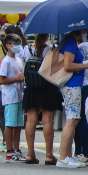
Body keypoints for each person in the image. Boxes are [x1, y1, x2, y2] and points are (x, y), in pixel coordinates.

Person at [57, 29, 88, 168]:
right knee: (72, 119)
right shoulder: (70, 42)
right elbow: (68, 65)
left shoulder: (70, 41)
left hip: (74, 85)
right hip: (72, 85)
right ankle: (63, 157)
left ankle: (67, 156)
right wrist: (87, 65)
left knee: (73, 119)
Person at [22, 33, 62, 165]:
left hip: (31, 87)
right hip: (47, 86)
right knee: (47, 121)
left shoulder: (26, 49)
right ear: (47, 36)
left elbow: (23, 66)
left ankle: (30, 154)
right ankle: (49, 155)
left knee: (30, 120)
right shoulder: (52, 49)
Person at [0, 34, 26, 162]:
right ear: (8, 46)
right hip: (10, 97)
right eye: (15, 44)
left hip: (19, 96)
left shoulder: (19, 60)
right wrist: (17, 79)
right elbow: (1, 80)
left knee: (18, 124)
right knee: (10, 123)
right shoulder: (6, 61)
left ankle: (16, 149)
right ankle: (9, 151)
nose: (18, 46)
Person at [75, 30, 88, 165]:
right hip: (86, 83)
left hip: (83, 82)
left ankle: (84, 153)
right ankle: (79, 151)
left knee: (80, 118)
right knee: (78, 118)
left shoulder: (83, 46)